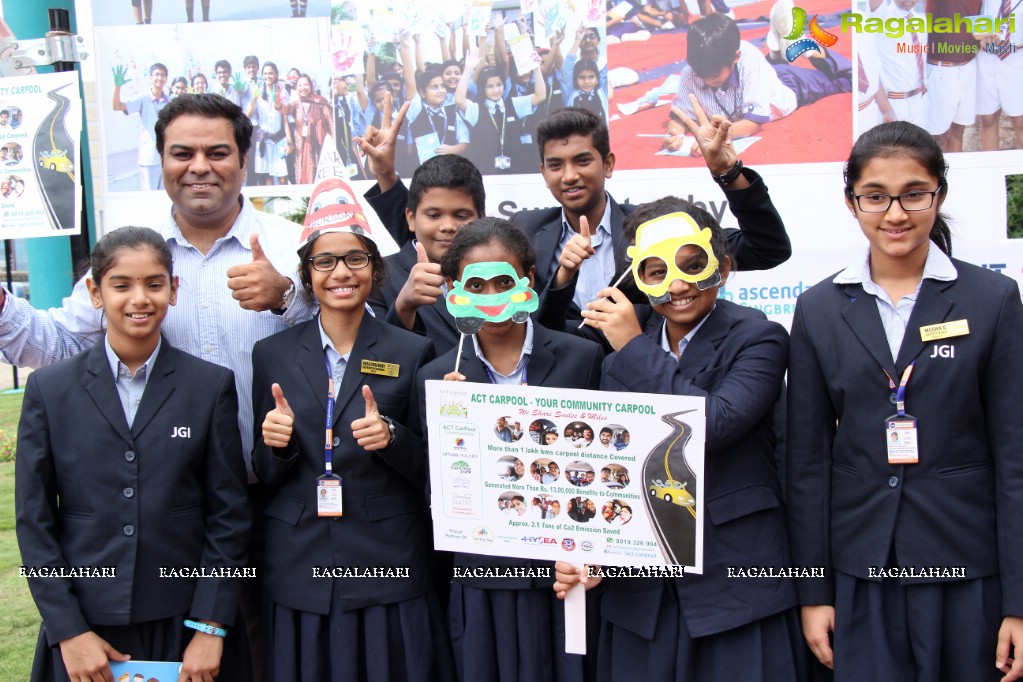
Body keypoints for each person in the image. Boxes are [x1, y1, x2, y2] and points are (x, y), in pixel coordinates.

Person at [0, 93, 312, 681]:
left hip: (276, 502)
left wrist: (291, 298)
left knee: (260, 659)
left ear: (245, 159)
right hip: (154, 516)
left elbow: (354, 341)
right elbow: (59, 347)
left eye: (217, 151)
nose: (200, 165)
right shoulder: (132, 250)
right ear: (161, 160)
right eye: (182, 152)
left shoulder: (290, 245)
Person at [787, 121, 1023, 680]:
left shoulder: (992, 299)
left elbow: (1015, 457)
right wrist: (813, 592)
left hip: (968, 569)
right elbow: (807, 465)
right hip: (862, 569)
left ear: (939, 194)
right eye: (876, 196)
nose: (895, 213)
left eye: (914, 194)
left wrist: (1018, 599)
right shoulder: (819, 308)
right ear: (852, 202)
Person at [554, 196, 803, 680]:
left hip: (734, 584)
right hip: (639, 593)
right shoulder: (615, 346)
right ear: (636, 279)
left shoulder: (759, 336)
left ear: (724, 267)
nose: (679, 283)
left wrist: (632, 347)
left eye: (692, 265)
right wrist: (591, 549)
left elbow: (714, 425)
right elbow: (610, 460)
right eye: (657, 270)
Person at [16, 227, 251, 682]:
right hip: (86, 626)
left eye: (154, 283)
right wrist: (68, 631)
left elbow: (229, 516)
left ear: (174, 289)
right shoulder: (50, 389)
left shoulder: (209, 386)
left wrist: (210, 627)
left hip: (184, 623)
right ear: (95, 292)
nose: (139, 299)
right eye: (121, 284)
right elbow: (34, 522)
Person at [253, 192, 452, 682]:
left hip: (386, 556)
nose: (341, 272)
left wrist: (392, 436)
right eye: (325, 261)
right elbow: (264, 471)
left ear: (375, 270)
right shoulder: (271, 354)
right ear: (307, 274)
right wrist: (275, 444)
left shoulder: (412, 350)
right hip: (300, 558)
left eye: (355, 258)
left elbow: (431, 467)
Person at [417, 217, 604, 682]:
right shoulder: (438, 377)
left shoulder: (581, 357)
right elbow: (430, 492)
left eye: (504, 281)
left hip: (564, 576)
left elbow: (603, 465)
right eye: (476, 285)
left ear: (529, 280)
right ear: (453, 290)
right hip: (483, 576)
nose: (492, 295)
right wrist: (451, 427)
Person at [519, 105, 791, 341]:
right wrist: (563, 277)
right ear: (544, 173)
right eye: (556, 165)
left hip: (645, 378)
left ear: (608, 164)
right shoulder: (525, 230)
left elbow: (766, 249)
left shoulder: (652, 226)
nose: (569, 176)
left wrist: (728, 173)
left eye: (582, 161)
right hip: (562, 389)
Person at [667, 13, 850, 151]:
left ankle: (805, 47)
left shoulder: (748, 57)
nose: (707, 78)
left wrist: (717, 137)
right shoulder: (690, 71)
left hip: (789, 85)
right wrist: (674, 134)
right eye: (701, 73)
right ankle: (776, 54)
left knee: (846, 81)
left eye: (714, 74)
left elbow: (752, 124)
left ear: (735, 57)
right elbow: (679, 116)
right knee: (766, 71)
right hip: (763, 76)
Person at [365, 152, 485, 355]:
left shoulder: (499, 275)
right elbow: (378, 360)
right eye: (434, 215)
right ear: (411, 218)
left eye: (461, 215)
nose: (448, 226)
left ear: (481, 218)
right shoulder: (378, 277)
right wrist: (404, 307)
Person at [455, 46, 546, 174]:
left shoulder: (514, 104)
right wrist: (467, 70)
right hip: (486, 172)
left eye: (499, 85)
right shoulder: (476, 109)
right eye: (490, 86)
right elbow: (459, 100)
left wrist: (536, 68)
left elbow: (540, 95)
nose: (496, 90)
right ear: (482, 88)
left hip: (515, 169)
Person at [924, 0, 981, 152]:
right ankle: (938, 175)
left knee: (958, 131)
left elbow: (978, 25)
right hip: (941, 69)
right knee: (938, 138)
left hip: (968, 67)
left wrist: (989, 35)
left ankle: (955, 175)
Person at [112, 62, 170, 191]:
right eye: (156, 74)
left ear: (166, 79)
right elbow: (117, 106)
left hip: (168, 159)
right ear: (150, 78)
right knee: (149, 199)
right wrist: (117, 87)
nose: (159, 78)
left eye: (163, 75)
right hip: (149, 159)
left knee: (167, 198)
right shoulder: (143, 98)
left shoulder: (170, 101)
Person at [976, 0, 1023, 150]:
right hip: (987, 58)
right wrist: (981, 37)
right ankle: (991, 170)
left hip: (1016, 57)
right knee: (988, 118)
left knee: (1020, 120)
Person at [247, 61, 292, 186]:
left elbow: (285, 119)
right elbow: (249, 114)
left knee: (283, 177)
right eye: (265, 73)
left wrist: (289, 141)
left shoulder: (282, 91)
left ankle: (286, 203)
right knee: (268, 176)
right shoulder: (257, 91)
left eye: (271, 73)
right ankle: (272, 205)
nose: (268, 76)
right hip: (263, 138)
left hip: (279, 138)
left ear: (276, 74)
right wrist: (254, 99)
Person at [285, 73, 332, 184]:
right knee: (303, 175)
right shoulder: (295, 104)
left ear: (311, 86)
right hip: (301, 148)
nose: (302, 88)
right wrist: (277, 104)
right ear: (296, 88)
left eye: (305, 84)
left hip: (320, 147)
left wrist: (331, 145)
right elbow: (284, 109)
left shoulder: (321, 101)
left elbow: (330, 123)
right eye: (299, 86)